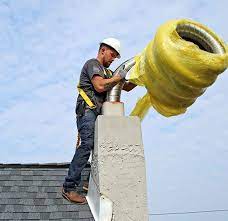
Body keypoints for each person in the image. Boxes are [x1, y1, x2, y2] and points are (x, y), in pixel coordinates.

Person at [62, 38, 136, 204]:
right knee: (87, 144)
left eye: (116, 57)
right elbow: (100, 86)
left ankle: (90, 181)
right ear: (103, 50)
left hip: (97, 114)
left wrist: (142, 76)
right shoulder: (93, 65)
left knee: (99, 147)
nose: (113, 59)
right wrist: (119, 78)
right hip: (87, 111)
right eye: (112, 55)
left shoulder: (109, 73)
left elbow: (128, 87)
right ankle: (68, 187)